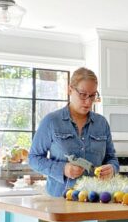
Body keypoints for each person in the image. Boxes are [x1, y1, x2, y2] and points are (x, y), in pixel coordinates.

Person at [29, 67, 119, 197]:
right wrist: (62, 169)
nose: (88, 101)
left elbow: (112, 158)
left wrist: (112, 168)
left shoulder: (102, 123)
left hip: (95, 199)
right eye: (83, 95)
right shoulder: (51, 121)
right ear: (70, 89)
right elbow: (33, 158)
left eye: (92, 95)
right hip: (60, 199)